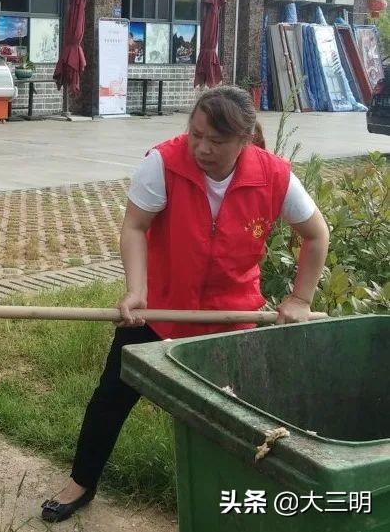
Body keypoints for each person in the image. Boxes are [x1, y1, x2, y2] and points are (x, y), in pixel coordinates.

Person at [40, 86, 330, 523]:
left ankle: (237, 496)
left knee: (235, 417)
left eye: (216, 141)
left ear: (245, 139)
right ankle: (81, 482)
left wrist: (300, 298)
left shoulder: (274, 176)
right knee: (110, 397)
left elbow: (316, 235)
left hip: (232, 316)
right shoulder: (163, 162)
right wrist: (137, 290)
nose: (202, 148)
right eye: (195, 134)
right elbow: (135, 227)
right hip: (161, 309)